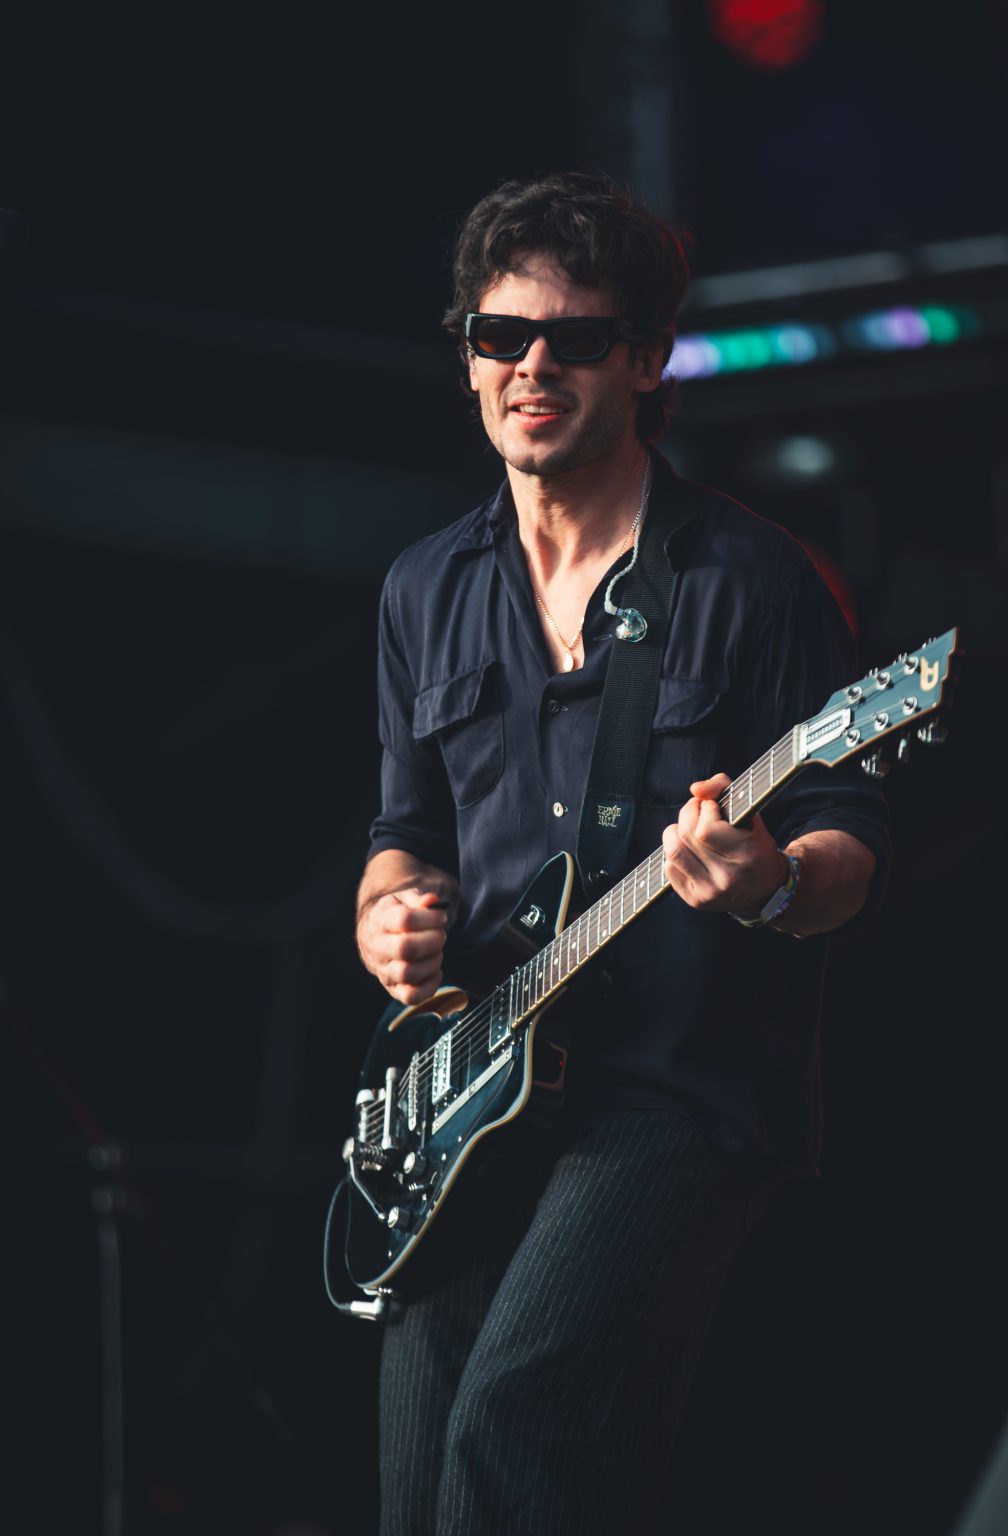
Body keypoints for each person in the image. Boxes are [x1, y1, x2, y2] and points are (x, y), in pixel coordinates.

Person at [353, 170, 889, 1535]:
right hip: (477, 1097)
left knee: (518, 1442)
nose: (531, 368)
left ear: (648, 362)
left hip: (675, 1092)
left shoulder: (750, 578)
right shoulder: (425, 587)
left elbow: (850, 845)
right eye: (498, 336)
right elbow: (405, 837)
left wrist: (769, 884)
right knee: (420, 1483)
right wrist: (394, 916)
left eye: (577, 340)